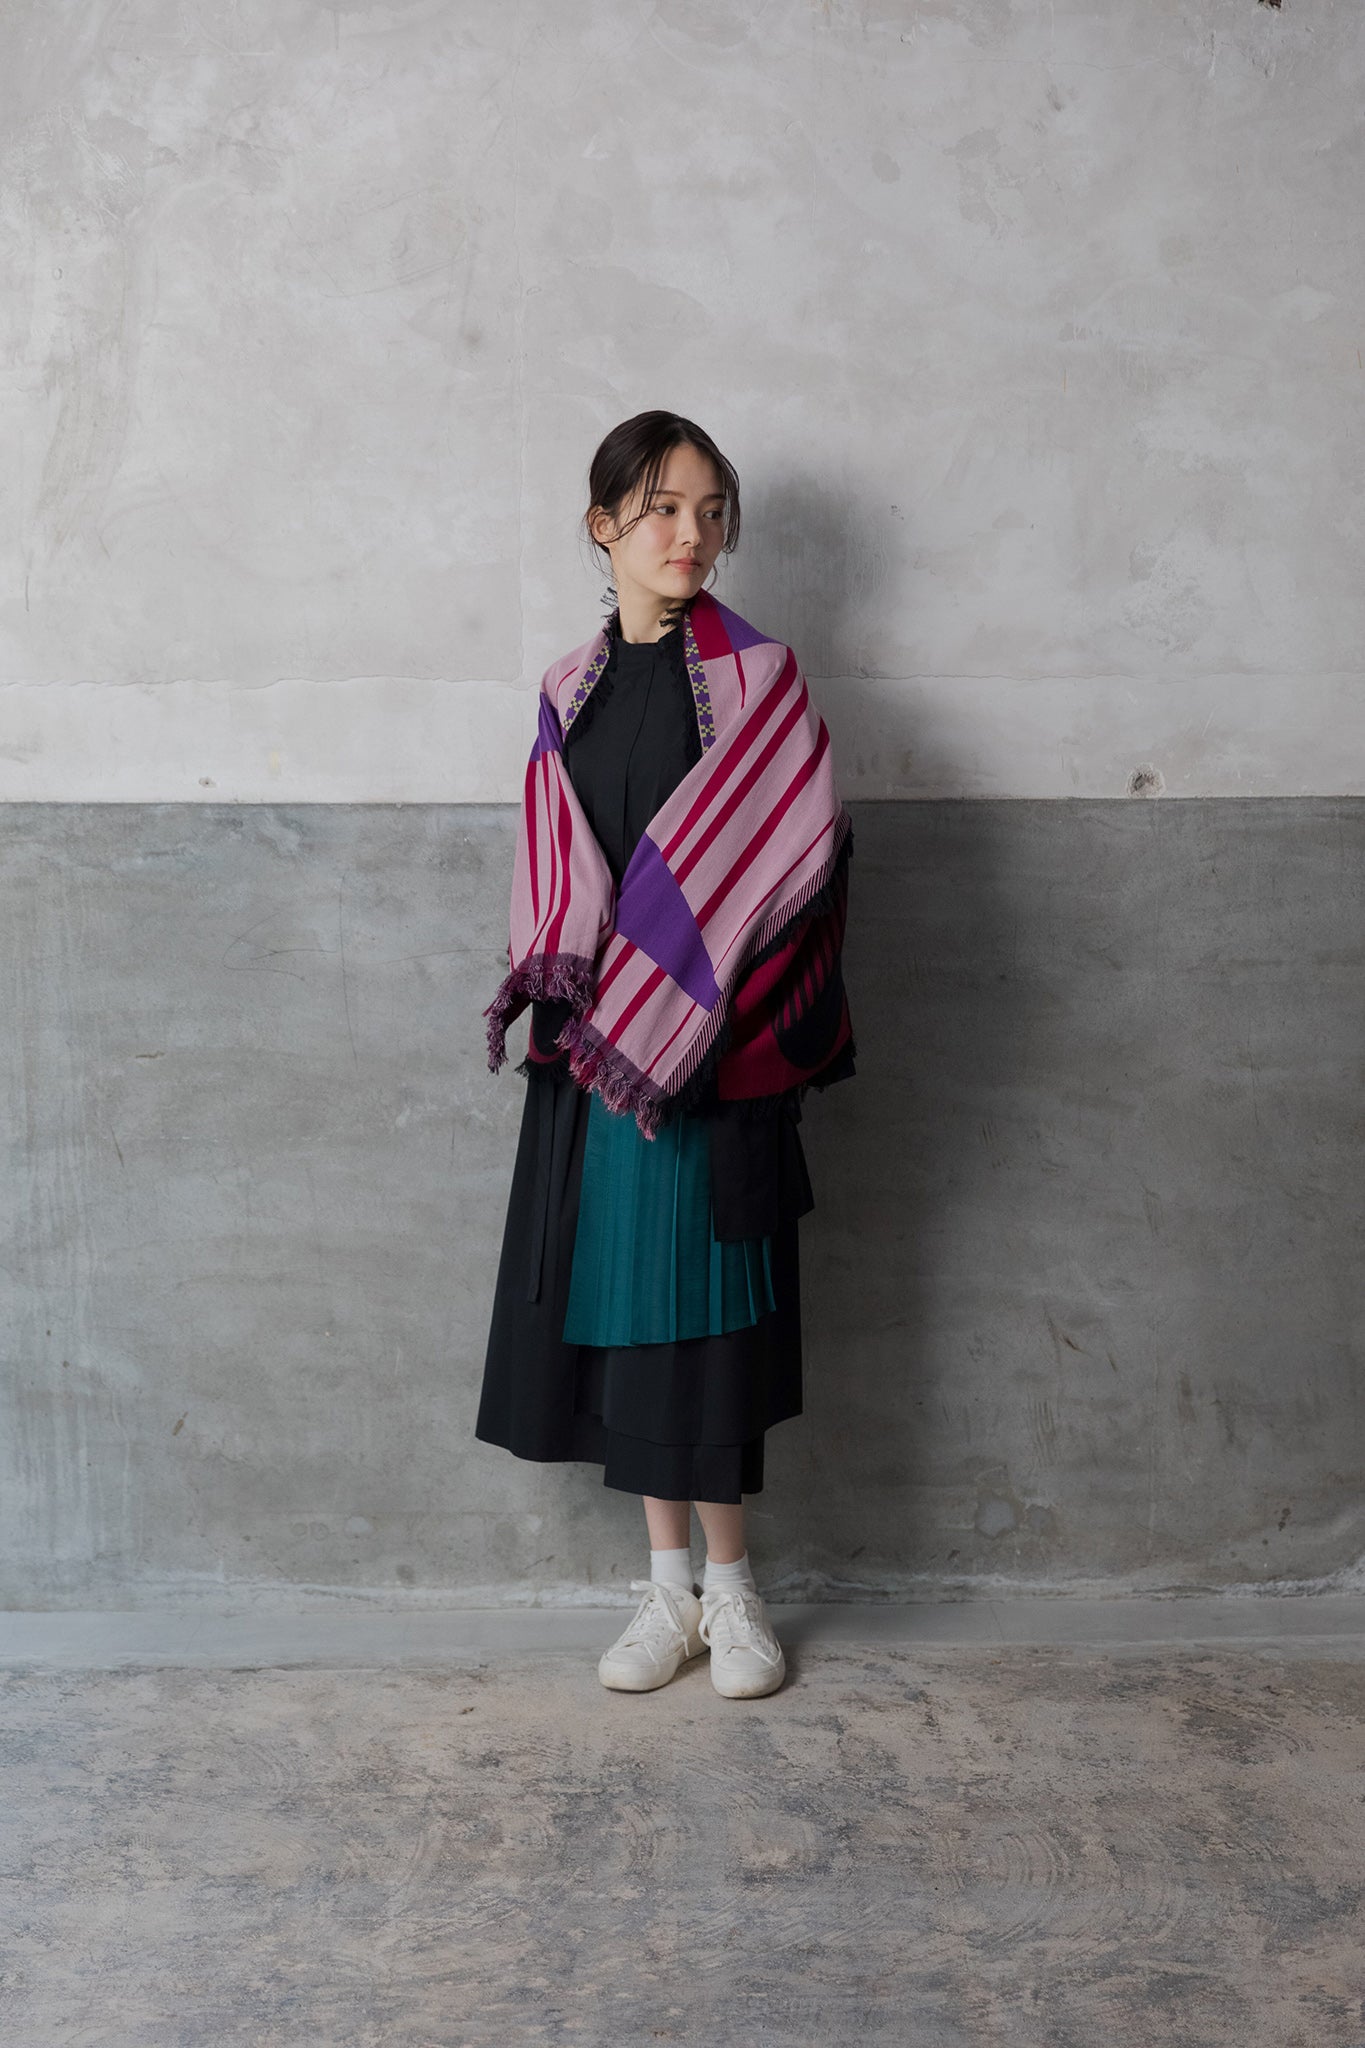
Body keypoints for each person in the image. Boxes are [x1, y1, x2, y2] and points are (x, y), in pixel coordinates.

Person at [475, 410, 854, 1699]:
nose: (691, 534)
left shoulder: (761, 681)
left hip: (709, 1054)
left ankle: (737, 1595)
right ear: (604, 527)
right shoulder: (564, 690)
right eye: (662, 510)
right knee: (629, 1322)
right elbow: (555, 870)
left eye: (709, 511)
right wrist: (603, 1011)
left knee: (712, 1324)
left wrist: (690, 1021)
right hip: (603, 1057)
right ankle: (668, 1592)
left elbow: (798, 864)